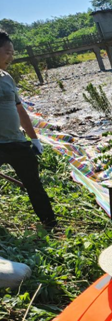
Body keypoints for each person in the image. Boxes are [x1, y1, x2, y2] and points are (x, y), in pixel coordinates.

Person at [0, 30, 56, 229]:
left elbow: (20, 110)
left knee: (34, 185)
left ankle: (50, 224)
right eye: (8, 52)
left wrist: (34, 139)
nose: (11, 57)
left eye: (13, 53)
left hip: (15, 141)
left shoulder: (7, 78)